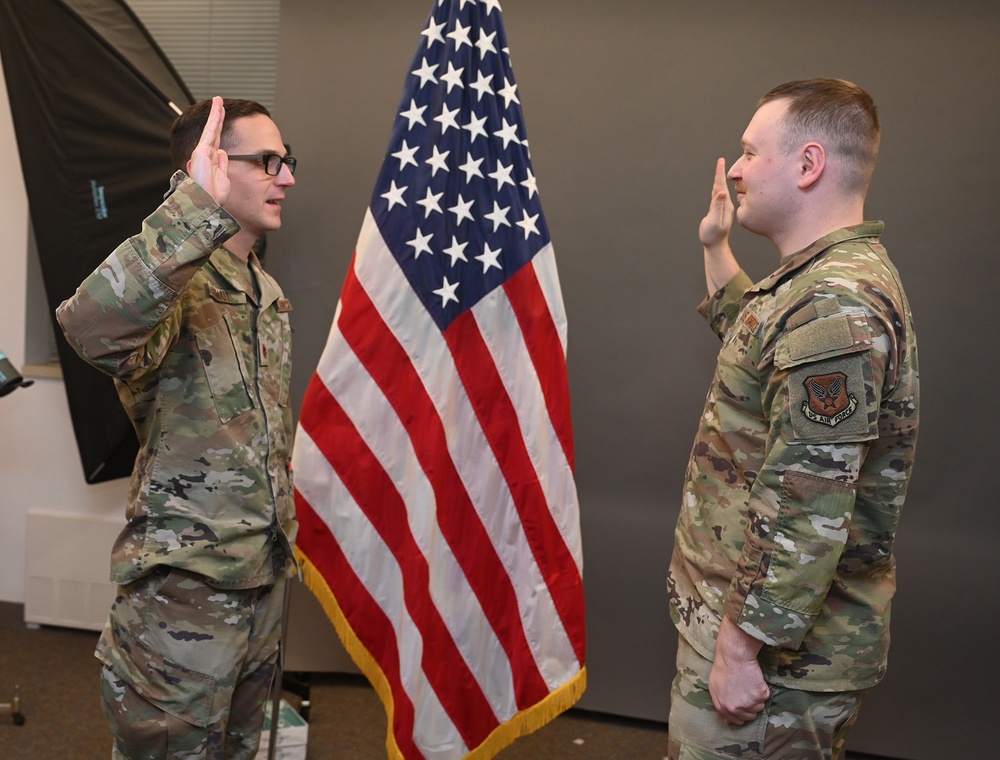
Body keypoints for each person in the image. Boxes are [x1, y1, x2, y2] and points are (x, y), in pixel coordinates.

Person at [666, 79, 919, 759]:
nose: (738, 169)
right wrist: (716, 247)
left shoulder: (833, 306)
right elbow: (760, 352)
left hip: (777, 665)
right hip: (756, 637)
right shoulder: (816, 284)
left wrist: (739, 650)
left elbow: (808, 501)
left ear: (809, 165)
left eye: (750, 152)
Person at [56, 96, 299, 759]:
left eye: (288, 161)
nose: (287, 177)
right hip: (182, 601)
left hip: (259, 589)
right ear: (213, 165)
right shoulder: (175, 279)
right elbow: (89, 328)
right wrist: (194, 204)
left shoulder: (266, 294)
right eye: (268, 161)